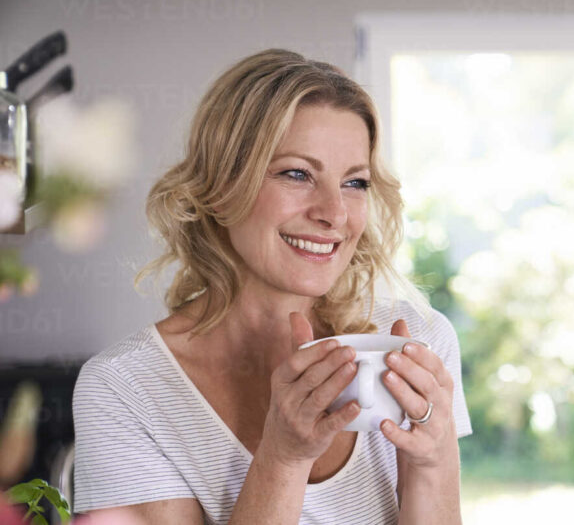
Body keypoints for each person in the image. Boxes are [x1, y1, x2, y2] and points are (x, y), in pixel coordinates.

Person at [71, 49, 472, 524]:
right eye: (297, 174)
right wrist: (283, 458)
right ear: (221, 188)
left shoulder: (418, 343)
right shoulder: (125, 388)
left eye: (355, 182)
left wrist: (430, 460)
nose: (334, 213)